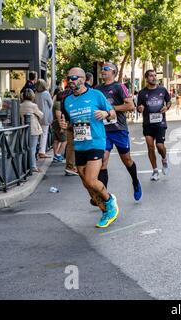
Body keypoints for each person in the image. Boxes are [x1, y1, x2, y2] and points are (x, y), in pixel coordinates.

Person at [59, 67, 120, 229]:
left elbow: (113, 112)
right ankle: (105, 211)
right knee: (86, 184)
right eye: (68, 78)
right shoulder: (68, 100)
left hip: (96, 142)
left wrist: (105, 114)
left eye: (73, 78)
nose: (70, 81)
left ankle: (110, 200)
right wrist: (65, 125)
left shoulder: (96, 95)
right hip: (80, 144)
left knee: (91, 180)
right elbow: (70, 124)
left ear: (82, 78)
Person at [95, 62, 142, 202]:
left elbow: (130, 105)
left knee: (127, 160)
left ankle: (135, 181)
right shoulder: (97, 89)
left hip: (119, 129)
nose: (103, 71)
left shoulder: (119, 87)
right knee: (103, 162)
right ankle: (104, 195)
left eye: (106, 69)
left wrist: (111, 110)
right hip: (103, 131)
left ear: (114, 72)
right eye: (102, 69)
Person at [137, 70, 172, 181]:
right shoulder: (142, 93)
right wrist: (140, 108)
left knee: (160, 146)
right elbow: (139, 107)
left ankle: (164, 159)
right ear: (146, 78)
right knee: (150, 146)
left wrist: (167, 107)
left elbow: (169, 101)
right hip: (148, 123)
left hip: (160, 123)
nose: (154, 77)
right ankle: (155, 170)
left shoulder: (162, 90)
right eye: (151, 76)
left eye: (155, 75)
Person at [20, 89, 44, 173]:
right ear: (32, 95)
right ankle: (33, 166)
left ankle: (27, 166)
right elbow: (41, 115)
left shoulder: (20, 105)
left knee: (26, 147)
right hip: (33, 129)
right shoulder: (33, 106)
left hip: (24, 128)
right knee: (33, 148)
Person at [35, 79, 53, 159]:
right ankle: (42, 152)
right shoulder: (46, 93)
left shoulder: (35, 93)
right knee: (44, 134)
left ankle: (37, 150)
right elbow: (51, 104)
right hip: (45, 116)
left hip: (37, 115)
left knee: (38, 134)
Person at [52, 89, 67, 162]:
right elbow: (58, 115)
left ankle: (55, 155)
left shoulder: (55, 103)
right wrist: (62, 127)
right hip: (59, 123)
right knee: (64, 140)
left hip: (55, 123)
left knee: (56, 140)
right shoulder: (58, 104)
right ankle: (58, 154)